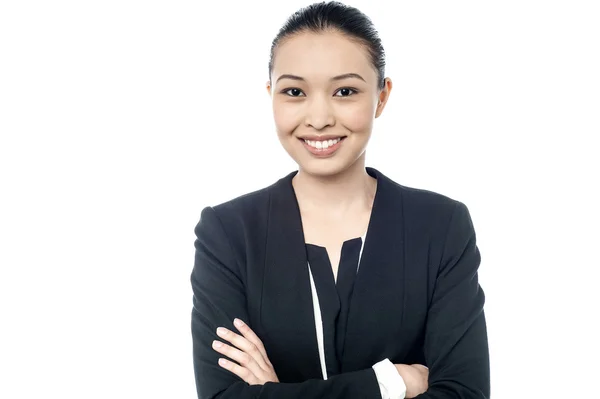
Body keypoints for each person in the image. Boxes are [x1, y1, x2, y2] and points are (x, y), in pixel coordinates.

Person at [190, 2, 490, 398]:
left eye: (345, 91)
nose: (318, 118)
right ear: (271, 96)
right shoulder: (228, 234)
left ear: (381, 97)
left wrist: (275, 392)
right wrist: (389, 383)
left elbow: (464, 394)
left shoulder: (440, 226)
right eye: (294, 91)